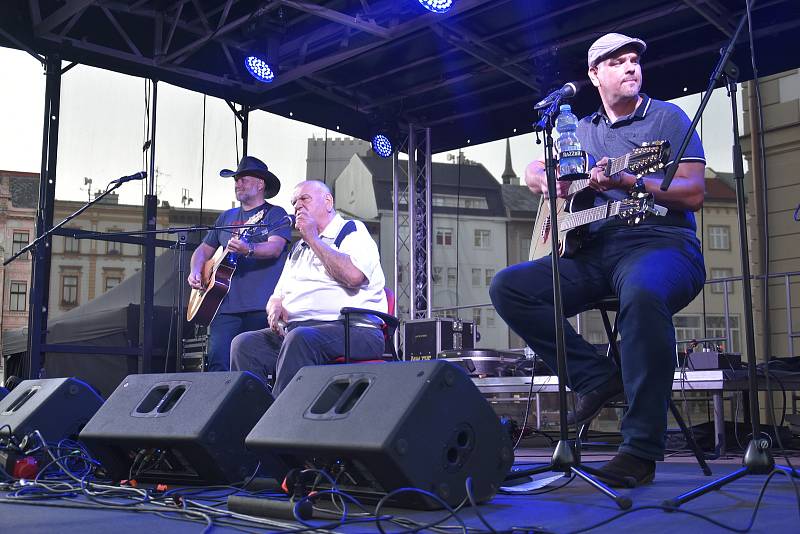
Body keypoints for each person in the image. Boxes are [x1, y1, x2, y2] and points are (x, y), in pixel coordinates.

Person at [489, 33, 707, 486]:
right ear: (594, 75)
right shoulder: (581, 128)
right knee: (508, 287)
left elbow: (693, 193)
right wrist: (544, 178)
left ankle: (641, 449)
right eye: (617, 62)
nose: (631, 67)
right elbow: (538, 171)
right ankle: (597, 377)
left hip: (660, 244)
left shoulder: (668, 118)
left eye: (634, 61)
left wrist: (630, 180)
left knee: (644, 293)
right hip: (592, 251)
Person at [230, 180, 388, 395]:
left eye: (304, 199)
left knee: (300, 339)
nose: (297, 206)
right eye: (294, 202)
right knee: (244, 345)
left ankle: (278, 421)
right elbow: (277, 295)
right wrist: (274, 307)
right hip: (298, 332)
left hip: (355, 330)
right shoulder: (299, 247)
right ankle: (253, 417)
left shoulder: (352, 231)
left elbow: (353, 276)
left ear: (328, 202)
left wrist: (313, 238)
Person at [188, 156, 291, 372]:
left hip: (260, 306)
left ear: (261, 184)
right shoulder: (226, 217)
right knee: (218, 364)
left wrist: (249, 249)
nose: (238, 183)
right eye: (236, 180)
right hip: (223, 305)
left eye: (243, 179)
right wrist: (196, 270)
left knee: (253, 364)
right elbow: (203, 251)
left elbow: (275, 248)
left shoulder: (274, 214)